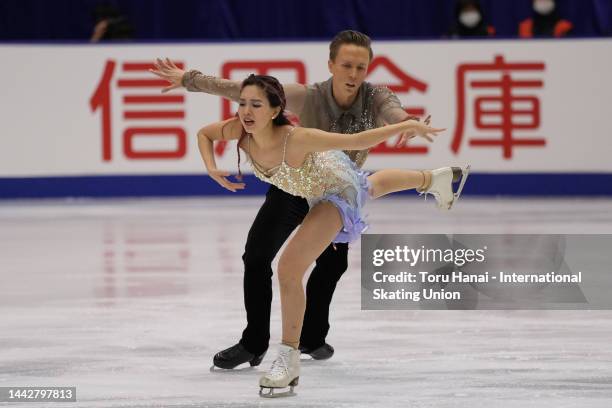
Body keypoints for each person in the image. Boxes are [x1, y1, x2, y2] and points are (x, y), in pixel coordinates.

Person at [150, 30, 443, 369]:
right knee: (257, 256)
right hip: (293, 185)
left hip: (335, 191)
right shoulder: (306, 96)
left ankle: (312, 338)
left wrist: (406, 124)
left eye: (361, 67)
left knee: (332, 264)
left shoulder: (376, 97)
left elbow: (394, 112)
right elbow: (242, 91)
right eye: (346, 65)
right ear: (331, 64)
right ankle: (254, 342)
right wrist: (189, 79)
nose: (353, 74)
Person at [197, 74, 468, 396]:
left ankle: (288, 357)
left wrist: (404, 126)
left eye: (256, 104)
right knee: (372, 185)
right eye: (242, 103)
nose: (245, 111)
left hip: (333, 191)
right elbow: (204, 134)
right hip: (310, 186)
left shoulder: (297, 138)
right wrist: (211, 168)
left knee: (289, 267)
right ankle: (430, 178)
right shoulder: (239, 130)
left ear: (274, 110)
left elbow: (357, 142)